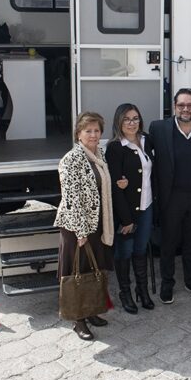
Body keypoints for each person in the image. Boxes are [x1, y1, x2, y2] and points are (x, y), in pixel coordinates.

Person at [55, 111, 115, 341]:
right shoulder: (71, 159)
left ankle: (90, 311)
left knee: (93, 269)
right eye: (88, 130)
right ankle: (78, 321)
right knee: (76, 272)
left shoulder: (99, 155)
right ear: (78, 134)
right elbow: (71, 199)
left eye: (96, 130)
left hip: (97, 224)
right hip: (77, 228)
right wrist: (81, 232)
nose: (93, 134)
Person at [149, 88, 191, 304]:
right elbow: (142, 149)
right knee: (168, 243)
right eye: (181, 105)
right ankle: (167, 283)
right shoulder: (159, 128)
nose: (186, 109)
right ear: (174, 106)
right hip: (171, 197)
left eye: (190, 105)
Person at [105, 103, 155, 313]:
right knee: (124, 252)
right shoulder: (115, 147)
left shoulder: (147, 139)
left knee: (140, 250)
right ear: (119, 122)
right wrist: (126, 220)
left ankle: (142, 291)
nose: (132, 123)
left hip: (147, 206)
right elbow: (116, 188)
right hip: (127, 211)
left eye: (135, 118)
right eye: (127, 119)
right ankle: (125, 292)